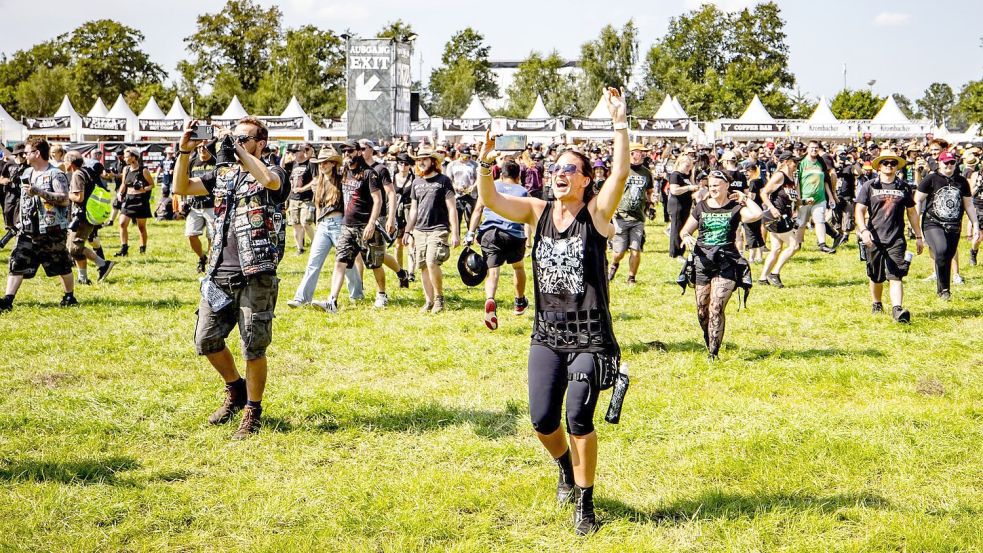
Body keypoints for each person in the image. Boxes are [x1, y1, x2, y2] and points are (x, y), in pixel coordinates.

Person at [476, 87, 627, 535]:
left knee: (578, 417)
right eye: (556, 167)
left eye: (570, 169)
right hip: (547, 334)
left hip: (591, 335)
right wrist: (486, 162)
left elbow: (619, 172)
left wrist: (619, 122)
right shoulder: (537, 211)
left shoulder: (596, 214)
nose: (560, 174)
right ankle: (564, 466)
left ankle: (586, 503)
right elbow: (492, 200)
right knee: (543, 420)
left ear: (584, 179)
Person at [172, 117, 288, 440]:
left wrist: (237, 150)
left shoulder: (276, 172)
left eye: (244, 138)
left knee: (254, 346)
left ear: (260, 143)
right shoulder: (223, 177)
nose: (236, 141)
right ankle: (235, 388)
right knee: (205, 339)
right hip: (220, 272)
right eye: (234, 137)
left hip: (256, 273)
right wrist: (184, 151)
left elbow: (268, 180)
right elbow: (181, 188)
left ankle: (253, 410)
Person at [679, 170, 762, 360]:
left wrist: (745, 198)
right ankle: (709, 339)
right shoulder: (701, 207)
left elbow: (757, 215)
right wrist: (687, 237)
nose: (712, 188)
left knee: (716, 307)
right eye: (710, 185)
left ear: (726, 185)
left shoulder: (735, 207)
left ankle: (713, 354)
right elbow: (684, 231)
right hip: (702, 261)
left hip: (727, 261)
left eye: (716, 185)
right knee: (702, 310)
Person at [0, 137, 77, 312]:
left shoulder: (55, 174)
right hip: (28, 229)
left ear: (37, 153)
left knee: (61, 264)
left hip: (51, 229)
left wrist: (39, 192)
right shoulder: (27, 173)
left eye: (27, 152)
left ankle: (69, 296)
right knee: (17, 261)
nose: (24, 155)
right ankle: (7, 300)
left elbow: (64, 199)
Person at [855, 149, 923, 323]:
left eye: (893, 163)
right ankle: (877, 302)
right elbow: (859, 210)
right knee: (876, 276)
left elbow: (912, 212)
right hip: (874, 238)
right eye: (886, 163)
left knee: (896, 274)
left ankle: (897, 310)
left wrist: (918, 236)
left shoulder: (903, 187)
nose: (889, 166)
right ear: (879, 166)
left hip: (896, 238)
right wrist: (863, 230)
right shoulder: (869, 186)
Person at [291, 146, 362, 308]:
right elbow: (318, 205)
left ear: (332, 163)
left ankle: (357, 293)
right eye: (320, 163)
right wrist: (317, 223)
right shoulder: (318, 181)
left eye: (325, 163)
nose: (321, 166)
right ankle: (301, 298)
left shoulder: (341, 178)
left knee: (346, 262)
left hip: (339, 223)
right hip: (323, 225)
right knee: (313, 262)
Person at [466, 158, 528, 329]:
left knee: (492, 272)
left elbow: (478, 210)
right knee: (518, 267)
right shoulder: (522, 191)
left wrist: (470, 233)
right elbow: (528, 217)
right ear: (518, 176)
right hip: (513, 234)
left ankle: (490, 299)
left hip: (489, 233)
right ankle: (519, 302)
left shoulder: (490, 187)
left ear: (501, 174)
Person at [915, 151, 979, 300]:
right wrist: (915, 222)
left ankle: (942, 289)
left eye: (952, 162)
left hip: (954, 225)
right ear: (939, 163)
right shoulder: (931, 178)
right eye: (946, 162)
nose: (949, 165)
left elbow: (968, 205)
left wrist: (975, 225)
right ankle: (945, 290)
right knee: (942, 250)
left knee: (947, 256)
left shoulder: (961, 181)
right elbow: (917, 199)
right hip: (933, 223)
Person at [403, 145, 460, 313]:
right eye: (419, 159)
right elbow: (413, 210)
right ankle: (428, 301)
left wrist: (455, 232)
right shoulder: (416, 182)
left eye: (424, 159)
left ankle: (439, 298)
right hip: (420, 230)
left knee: (432, 262)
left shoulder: (443, 181)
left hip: (439, 228)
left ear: (433, 161)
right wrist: (407, 231)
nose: (420, 162)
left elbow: (452, 208)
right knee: (422, 266)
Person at [64, 151, 115, 284]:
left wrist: (66, 194)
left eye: (65, 161)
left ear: (70, 162)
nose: (64, 164)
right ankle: (83, 279)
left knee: (74, 247)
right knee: (75, 248)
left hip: (82, 216)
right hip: (88, 214)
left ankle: (103, 264)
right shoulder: (86, 171)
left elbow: (79, 197)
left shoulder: (77, 174)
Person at [608, 143, 653, 283]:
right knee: (619, 252)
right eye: (636, 152)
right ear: (630, 154)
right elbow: (611, 189)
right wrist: (612, 207)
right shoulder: (621, 170)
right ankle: (614, 264)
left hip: (638, 217)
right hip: (621, 215)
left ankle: (631, 277)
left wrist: (651, 205)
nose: (639, 155)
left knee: (635, 250)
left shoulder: (646, 172)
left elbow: (649, 191)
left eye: (641, 153)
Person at [757, 151, 801, 288]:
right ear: (787, 162)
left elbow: (792, 198)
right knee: (794, 246)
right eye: (794, 162)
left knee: (776, 248)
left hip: (783, 216)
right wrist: (772, 208)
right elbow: (763, 193)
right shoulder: (779, 176)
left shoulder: (791, 178)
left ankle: (763, 278)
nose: (796, 165)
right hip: (777, 216)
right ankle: (774, 273)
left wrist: (804, 202)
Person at [795, 140, 838, 253]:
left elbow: (825, 181)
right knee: (802, 223)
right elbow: (797, 182)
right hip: (805, 198)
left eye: (816, 148)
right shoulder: (801, 163)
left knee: (820, 221)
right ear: (807, 149)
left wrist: (831, 196)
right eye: (812, 148)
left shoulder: (821, 162)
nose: (814, 150)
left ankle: (822, 244)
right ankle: (797, 245)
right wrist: (799, 199)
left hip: (820, 198)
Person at [185, 142, 218, 272]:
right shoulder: (192, 162)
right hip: (195, 205)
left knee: (212, 236)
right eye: (199, 147)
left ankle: (211, 264)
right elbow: (185, 181)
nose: (202, 149)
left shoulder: (215, 162)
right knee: (191, 234)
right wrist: (184, 199)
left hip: (212, 204)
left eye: (205, 147)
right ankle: (202, 257)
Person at [115, 148, 154, 256]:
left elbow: (152, 185)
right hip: (128, 200)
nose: (124, 158)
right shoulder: (126, 169)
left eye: (127, 156)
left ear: (133, 157)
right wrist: (119, 193)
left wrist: (144, 189)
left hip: (140, 200)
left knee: (141, 227)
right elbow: (123, 184)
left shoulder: (143, 170)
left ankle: (142, 249)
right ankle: (124, 249)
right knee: (122, 223)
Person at [284, 143, 316, 255]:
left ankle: (315, 244)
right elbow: (282, 166)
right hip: (293, 199)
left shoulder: (310, 164)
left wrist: (303, 189)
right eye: (292, 152)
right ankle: (300, 248)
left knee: (306, 222)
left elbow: (315, 180)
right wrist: (285, 154)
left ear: (302, 151)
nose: (293, 154)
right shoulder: (293, 164)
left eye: (295, 151)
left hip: (306, 198)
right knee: (295, 224)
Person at [667, 151, 697, 260]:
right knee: (676, 228)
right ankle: (675, 253)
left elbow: (693, 185)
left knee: (684, 226)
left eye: (691, 166)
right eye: (687, 166)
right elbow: (675, 190)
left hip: (686, 204)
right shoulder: (675, 175)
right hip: (676, 205)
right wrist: (688, 188)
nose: (689, 168)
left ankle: (682, 250)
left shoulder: (687, 175)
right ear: (680, 163)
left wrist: (691, 174)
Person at [447, 147, 478, 228]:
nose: (467, 159)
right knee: (457, 218)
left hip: (471, 195)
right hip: (457, 195)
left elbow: (479, 178)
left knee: (470, 218)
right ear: (459, 155)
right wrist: (455, 186)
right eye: (464, 157)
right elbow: (449, 179)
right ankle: (457, 237)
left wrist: (473, 186)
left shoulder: (475, 164)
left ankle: (470, 237)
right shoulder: (452, 165)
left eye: (469, 157)